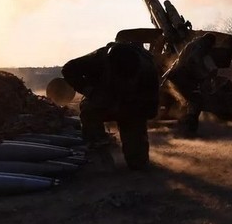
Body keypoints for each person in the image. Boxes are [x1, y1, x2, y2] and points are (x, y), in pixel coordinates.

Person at [61, 42, 159, 170]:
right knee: (89, 111)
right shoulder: (98, 59)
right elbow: (68, 69)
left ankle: (136, 155)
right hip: (102, 101)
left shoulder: (148, 68)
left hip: (131, 105)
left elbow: (152, 101)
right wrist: (90, 91)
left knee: (138, 163)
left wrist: (139, 120)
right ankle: (99, 148)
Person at [161, 32, 218, 136]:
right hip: (180, 76)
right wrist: (203, 75)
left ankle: (182, 126)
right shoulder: (200, 46)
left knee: (186, 100)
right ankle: (188, 130)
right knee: (195, 101)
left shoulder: (193, 44)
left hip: (176, 76)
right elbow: (193, 60)